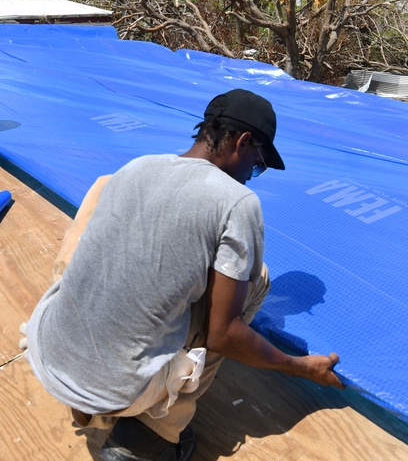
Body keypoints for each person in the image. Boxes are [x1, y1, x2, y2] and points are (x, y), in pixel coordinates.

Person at [24, 89, 343, 461]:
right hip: (115, 389)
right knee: (256, 282)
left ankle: (91, 383)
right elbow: (224, 336)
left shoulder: (138, 166)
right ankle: (150, 436)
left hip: (47, 348)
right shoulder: (238, 202)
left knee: (100, 194)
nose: (251, 176)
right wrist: (301, 367)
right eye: (257, 164)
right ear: (242, 142)